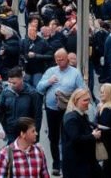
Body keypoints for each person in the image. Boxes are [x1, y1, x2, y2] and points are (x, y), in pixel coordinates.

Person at [36, 48, 85, 176]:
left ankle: (67, 162)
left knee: (67, 137)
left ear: (67, 59)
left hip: (68, 110)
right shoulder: (51, 71)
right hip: (51, 109)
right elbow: (39, 88)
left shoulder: (75, 73)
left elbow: (82, 90)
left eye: (61, 59)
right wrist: (49, 82)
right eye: (57, 59)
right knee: (53, 137)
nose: (59, 61)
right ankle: (56, 163)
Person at [61, 88, 101, 178]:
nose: (88, 103)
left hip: (84, 163)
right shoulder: (71, 118)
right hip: (76, 166)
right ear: (76, 101)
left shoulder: (81, 115)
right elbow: (76, 138)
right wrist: (93, 136)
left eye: (88, 100)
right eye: (85, 100)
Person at [0, 67, 43, 140]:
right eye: (9, 82)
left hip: (26, 131)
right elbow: (1, 112)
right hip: (10, 131)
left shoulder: (32, 94)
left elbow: (38, 116)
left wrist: (35, 133)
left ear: (21, 79)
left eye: (14, 83)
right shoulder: (6, 92)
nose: (11, 85)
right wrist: (2, 128)